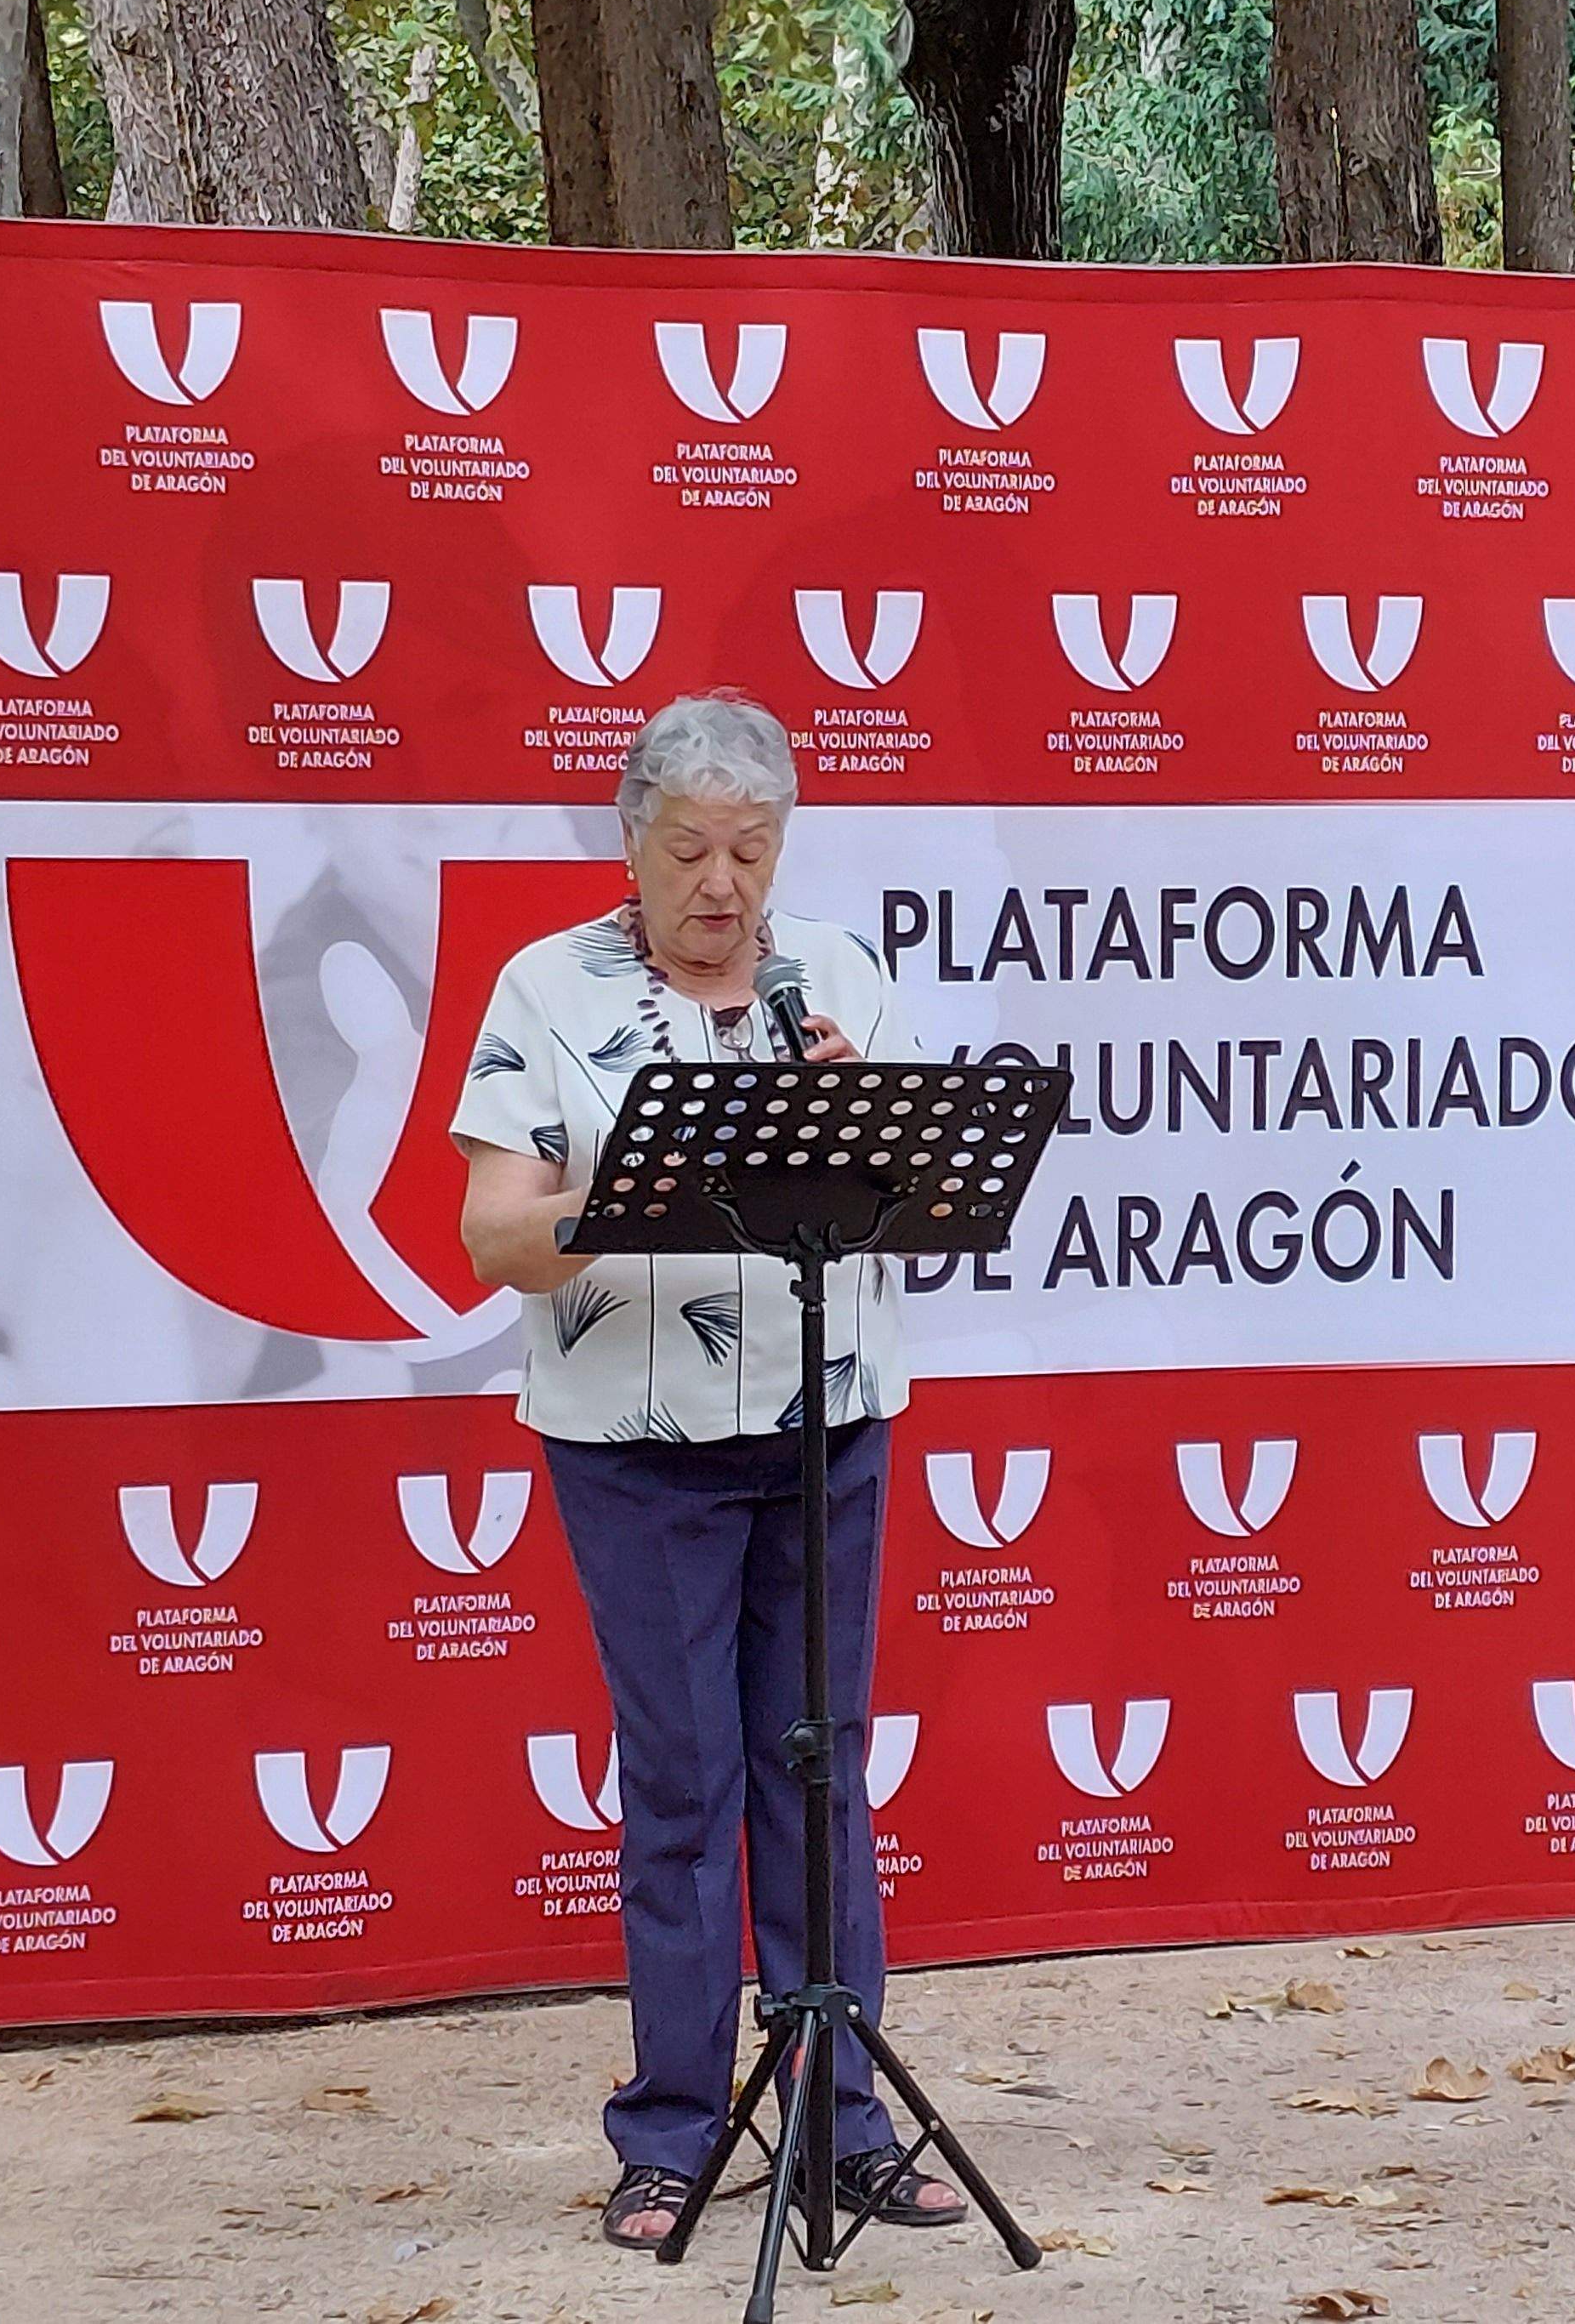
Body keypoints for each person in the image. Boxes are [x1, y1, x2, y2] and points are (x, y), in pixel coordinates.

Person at [454, 690, 964, 2249]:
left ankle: (841, 2120)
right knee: (685, 1789)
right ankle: (672, 2133)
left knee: (826, 1769)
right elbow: (494, 1238)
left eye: (752, 850)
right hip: (642, 1450)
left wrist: (860, 1139)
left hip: (830, 1427)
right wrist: (638, 1193)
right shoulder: (547, 988)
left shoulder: (847, 980)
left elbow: (929, 1214)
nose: (723, 885)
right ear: (631, 843)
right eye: (690, 851)